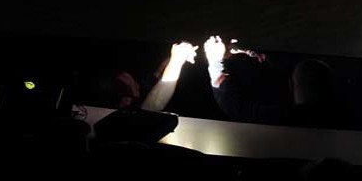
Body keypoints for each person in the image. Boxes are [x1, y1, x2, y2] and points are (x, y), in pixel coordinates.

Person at [204, 36, 345, 127]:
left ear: (291, 85)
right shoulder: (339, 116)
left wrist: (214, 60)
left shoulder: (289, 118)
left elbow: (235, 106)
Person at [141, 41, 198, 112]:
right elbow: (152, 107)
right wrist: (176, 61)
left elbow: (158, 72)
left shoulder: (147, 85)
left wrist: (175, 59)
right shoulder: (136, 101)